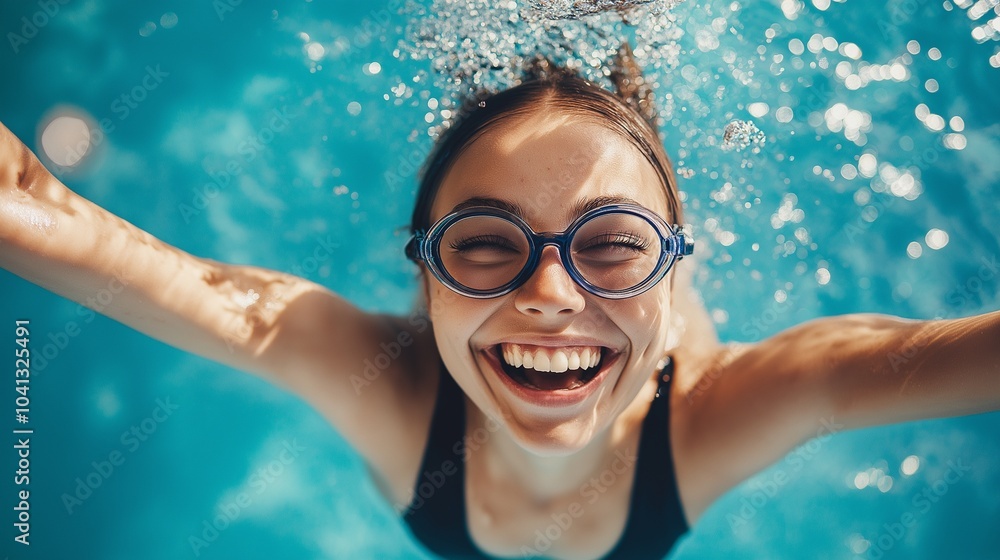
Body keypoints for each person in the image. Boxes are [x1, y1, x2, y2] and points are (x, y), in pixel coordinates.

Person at [1, 58, 998, 560]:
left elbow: (933, 359)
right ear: (423, 268)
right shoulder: (388, 391)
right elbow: (116, 250)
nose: (553, 296)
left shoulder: (719, 411)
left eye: (610, 245)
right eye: (485, 242)